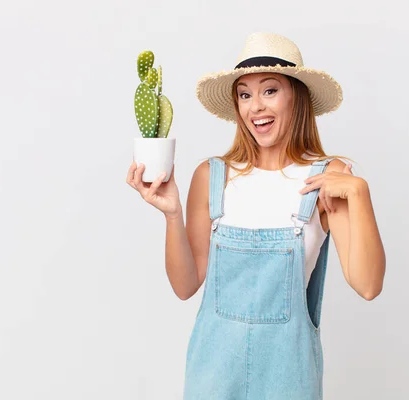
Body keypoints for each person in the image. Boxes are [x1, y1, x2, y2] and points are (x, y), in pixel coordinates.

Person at [126, 32, 386, 400]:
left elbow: (368, 285)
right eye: (245, 95)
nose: (255, 107)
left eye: (269, 90)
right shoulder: (213, 175)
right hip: (212, 380)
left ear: (297, 96)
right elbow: (185, 287)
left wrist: (360, 193)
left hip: (289, 382)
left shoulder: (329, 178)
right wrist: (172, 214)